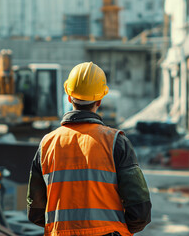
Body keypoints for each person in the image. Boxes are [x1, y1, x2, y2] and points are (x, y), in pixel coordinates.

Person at [27, 62, 151, 236]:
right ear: (99, 100)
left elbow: (36, 212)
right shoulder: (116, 142)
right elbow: (140, 211)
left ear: (69, 97)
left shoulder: (47, 144)